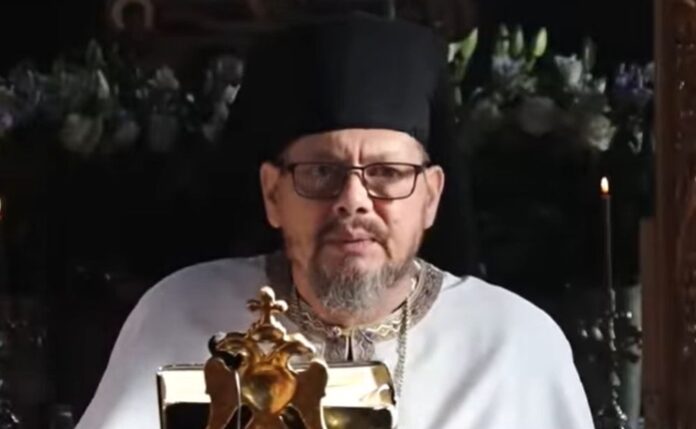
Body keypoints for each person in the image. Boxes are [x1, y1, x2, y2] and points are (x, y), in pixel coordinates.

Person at [76, 13, 595, 429]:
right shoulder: (177, 313)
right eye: (321, 172)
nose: (353, 201)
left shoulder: (515, 345)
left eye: (388, 173)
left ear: (431, 196)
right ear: (272, 193)